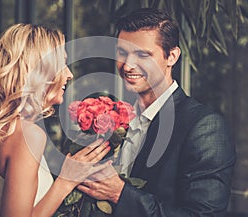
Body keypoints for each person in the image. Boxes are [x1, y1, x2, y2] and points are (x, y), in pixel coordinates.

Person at [77, 8, 236, 216]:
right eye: (122, 53)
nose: (128, 66)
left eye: (142, 54)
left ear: (171, 56)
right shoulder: (111, 117)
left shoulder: (205, 128)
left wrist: (120, 194)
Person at [0, 23, 112, 217]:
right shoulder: (27, 134)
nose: (69, 75)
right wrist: (66, 181)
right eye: (62, 64)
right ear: (41, 70)